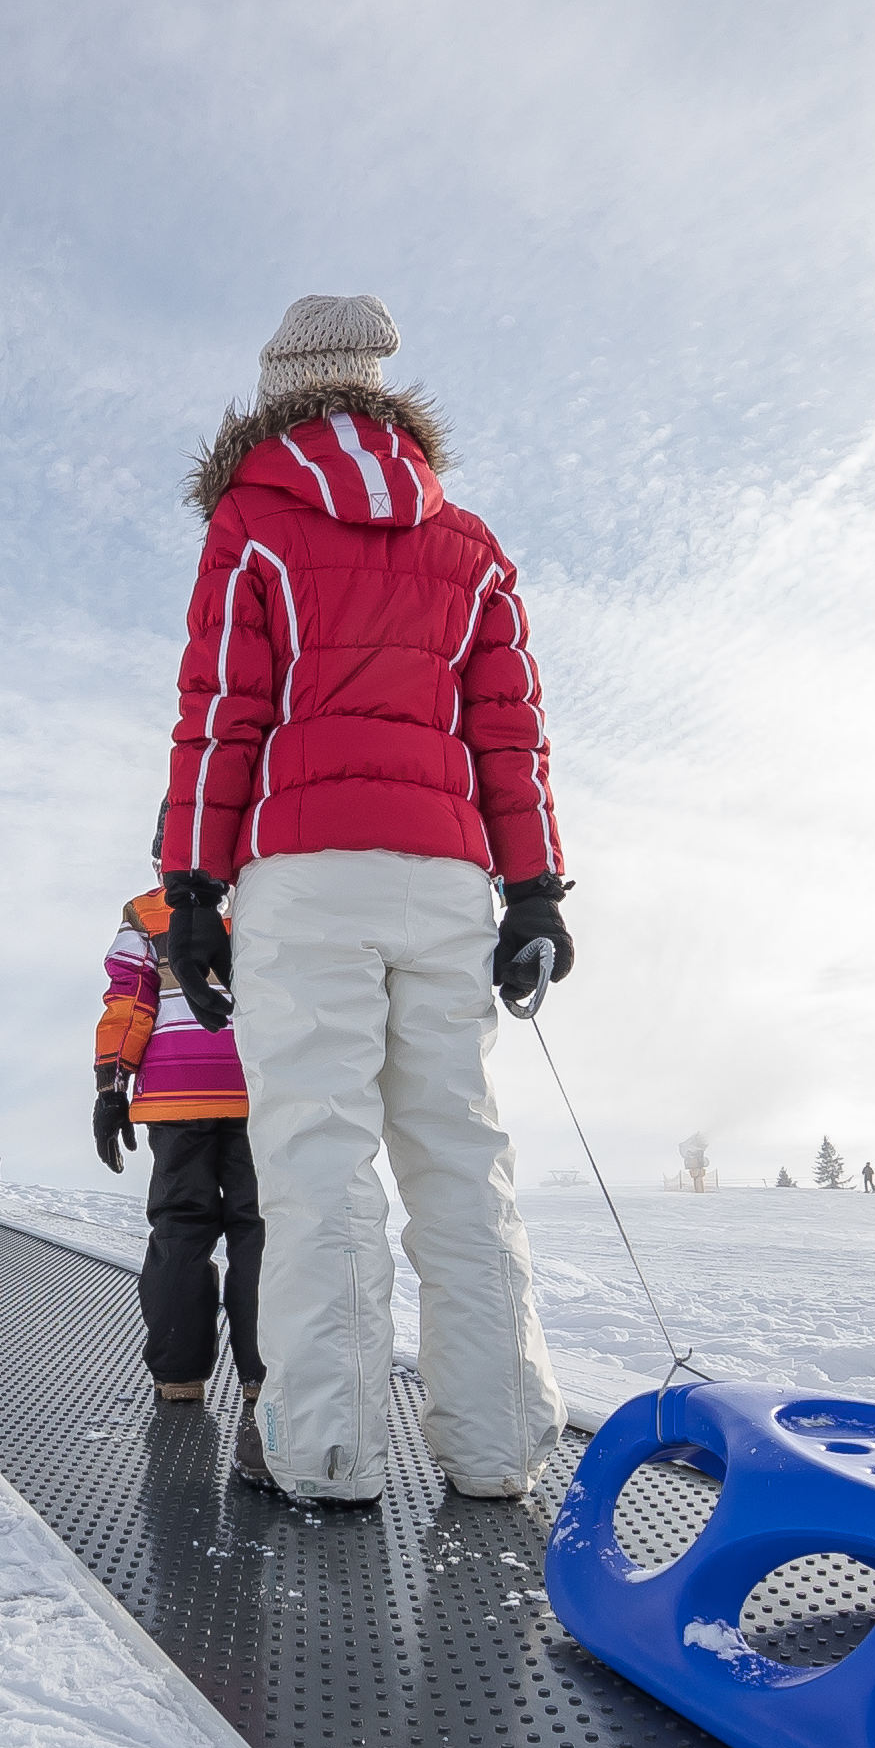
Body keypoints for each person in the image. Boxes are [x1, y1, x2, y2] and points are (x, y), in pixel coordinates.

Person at [149, 294, 574, 1507]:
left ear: (282, 390)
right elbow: (512, 733)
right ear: (386, 390)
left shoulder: (255, 521)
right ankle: (493, 1445)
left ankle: (327, 1450)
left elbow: (222, 710)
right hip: (447, 878)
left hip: (304, 876)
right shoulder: (471, 545)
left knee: (317, 1161)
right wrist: (534, 889)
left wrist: (192, 887)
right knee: (460, 1155)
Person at [91, 885, 264, 1400]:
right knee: (259, 1229)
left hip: (175, 1090)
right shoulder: (268, 895)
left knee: (179, 1228)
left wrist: (110, 1088)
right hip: (259, 1087)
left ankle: (179, 1376)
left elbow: (129, 1004)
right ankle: (262, 1375)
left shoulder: (145, 912)